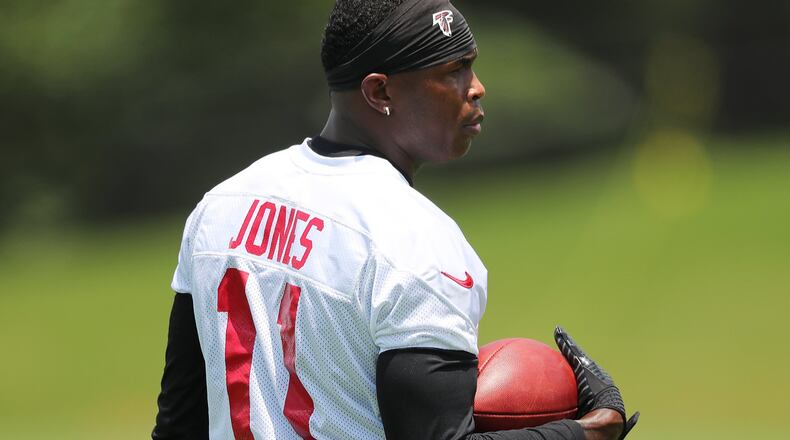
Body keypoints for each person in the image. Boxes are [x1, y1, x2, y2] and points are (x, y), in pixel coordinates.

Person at [152, 1, 639, 439]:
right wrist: (589, 431)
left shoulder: (221, 207)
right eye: (454, 70)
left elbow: (178, 428)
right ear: (380, 90)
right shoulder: (414, 238)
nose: (476, 87)